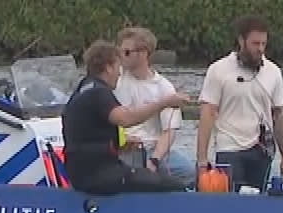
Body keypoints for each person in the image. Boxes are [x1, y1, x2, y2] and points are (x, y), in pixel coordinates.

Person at [61, 41, 191, 195]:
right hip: (100, 174)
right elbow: (126, 119)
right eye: (117, 67)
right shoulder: (98, 92)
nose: (120, 73)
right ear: (108, 67)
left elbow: (91, 131)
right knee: (171, 184)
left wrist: (123, 142)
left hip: (81, 171)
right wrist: (165, 102)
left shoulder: (82, 89)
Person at [196, 15, 283, 192]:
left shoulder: (273, 72)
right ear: (241, 40)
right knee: (232, 202)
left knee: (259, 201)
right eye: (255, 44)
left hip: (261, 150)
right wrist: (202, 159)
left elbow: (279, 114)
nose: (260, 49)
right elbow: (207, 114)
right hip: (229, 148)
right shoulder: (219, 70)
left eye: (264, 44)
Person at [114, 26, 196, 186]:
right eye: (120, 52)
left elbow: (169, 132)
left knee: (189, 171)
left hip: (151, 148)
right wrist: (121, 139)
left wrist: (155, 160)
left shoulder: (163, 87)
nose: (121, 57)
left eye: (126, 52)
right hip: (122, 148)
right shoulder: (115, 80)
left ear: (143, 53)